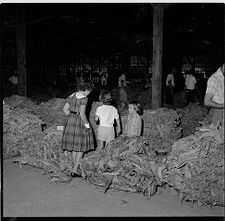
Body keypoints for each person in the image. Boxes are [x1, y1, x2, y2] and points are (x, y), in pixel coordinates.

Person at [61, 82, 94, 178]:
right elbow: (83, 114)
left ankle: (74, 169)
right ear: (87, 89)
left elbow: (65, 109)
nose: (89, 93)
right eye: (89, 91)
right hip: (79, 122)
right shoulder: (84, 98)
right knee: (80, 146)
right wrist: (87, 125)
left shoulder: (71, 96)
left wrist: (72, 117)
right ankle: (75, 170)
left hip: (70, 121)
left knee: (74, 146)